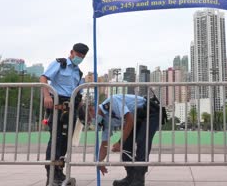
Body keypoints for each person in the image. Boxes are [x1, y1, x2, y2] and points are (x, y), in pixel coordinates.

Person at [40, 43, 89, 186]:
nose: (79, 58)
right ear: (71, 52)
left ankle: (59, 172)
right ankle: (51, 173)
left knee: (65, 142)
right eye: (78, 55)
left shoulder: (79, 72)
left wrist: (83, 111)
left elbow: (79, 94)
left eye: (82, 57)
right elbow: (43, 78)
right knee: (55, 139)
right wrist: (46, 95)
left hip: (71, 108)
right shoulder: (60, 64)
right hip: (57, 105)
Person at [89, 93, 161, 186]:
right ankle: (131, 177)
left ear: (91, 109)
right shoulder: (105, 120)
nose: (92, 123)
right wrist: (100, 161)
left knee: (142, 141)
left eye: (90, 119)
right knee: (126, 147)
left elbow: (129, 120)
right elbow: (104, 144)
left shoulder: (112, 102)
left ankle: (139, 180)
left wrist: (120, 142)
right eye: (89, 122)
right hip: (137, 118)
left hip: (150, 112)